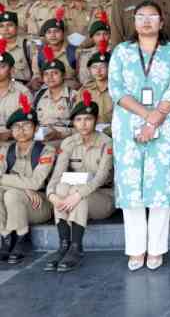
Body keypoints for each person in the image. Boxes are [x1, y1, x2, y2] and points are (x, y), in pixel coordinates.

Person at [108, 0, 170, 271]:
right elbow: (116, 89)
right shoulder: (121, 52)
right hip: (129, 126)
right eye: (140, 16)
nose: (146, 21)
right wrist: (145, 115)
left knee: (159, 187)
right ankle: (135, 249)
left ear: (162, 22)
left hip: (163, 126)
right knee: (131, 188)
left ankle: (156, 249)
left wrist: (155, 119)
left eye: (152, 16)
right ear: (134, 22)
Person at [44, 91, 114, 272]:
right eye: (79, 120)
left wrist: (77, 194)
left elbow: (100, 178)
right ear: (73, 123)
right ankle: (64, 245)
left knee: (77, 195)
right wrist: (51, 194)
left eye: (88, 119)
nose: (83, 124)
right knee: (60, 187)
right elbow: (57, 174)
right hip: (73, 196)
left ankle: (76, 248)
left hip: (103, 197)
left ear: (96, 120)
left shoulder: (106, 143)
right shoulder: (68, 143)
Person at [0, 95, 55, 264]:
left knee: (11, 194)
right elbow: (27, 184)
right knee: (9, 193)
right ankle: (5, 237)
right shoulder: (5, 150)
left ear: (36, 127)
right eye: (16, 127)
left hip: (39, 203)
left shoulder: (46, 150)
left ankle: (20, 238)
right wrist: (24, 188)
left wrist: (24, 187)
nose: (21, 130)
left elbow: (35, 182)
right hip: (19, 202)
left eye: (26, 126)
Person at [0, 40, 31, 144]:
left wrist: (11, 133)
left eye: (2, 66)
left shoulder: (22, 92)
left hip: (14, 140)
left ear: (12, 70)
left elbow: (29, 122)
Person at [0, 6, 33, 85]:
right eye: (1, 26)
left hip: (24, 87)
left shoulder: (28, 45)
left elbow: (37, 71)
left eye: (10, 25)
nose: (6, 29)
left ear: (17, 27)